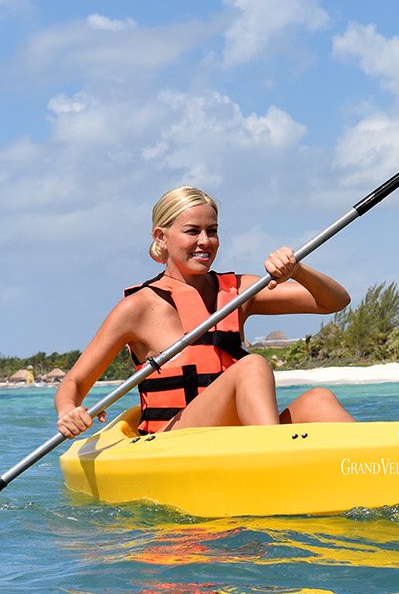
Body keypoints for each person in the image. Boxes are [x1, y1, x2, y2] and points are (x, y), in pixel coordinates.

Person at [54, 186, 356, 439]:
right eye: (192, 231)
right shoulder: (138, 307)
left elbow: (334, 301)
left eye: (212, 231)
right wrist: (69, 410)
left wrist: (297, 270)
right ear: (161, 237)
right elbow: (75, 383)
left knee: (319, 401)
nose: (204, 241)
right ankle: (274, 461)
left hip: (235, 436)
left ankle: (378, 469)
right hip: (174, 441)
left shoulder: (240, 291)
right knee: (252, 366)